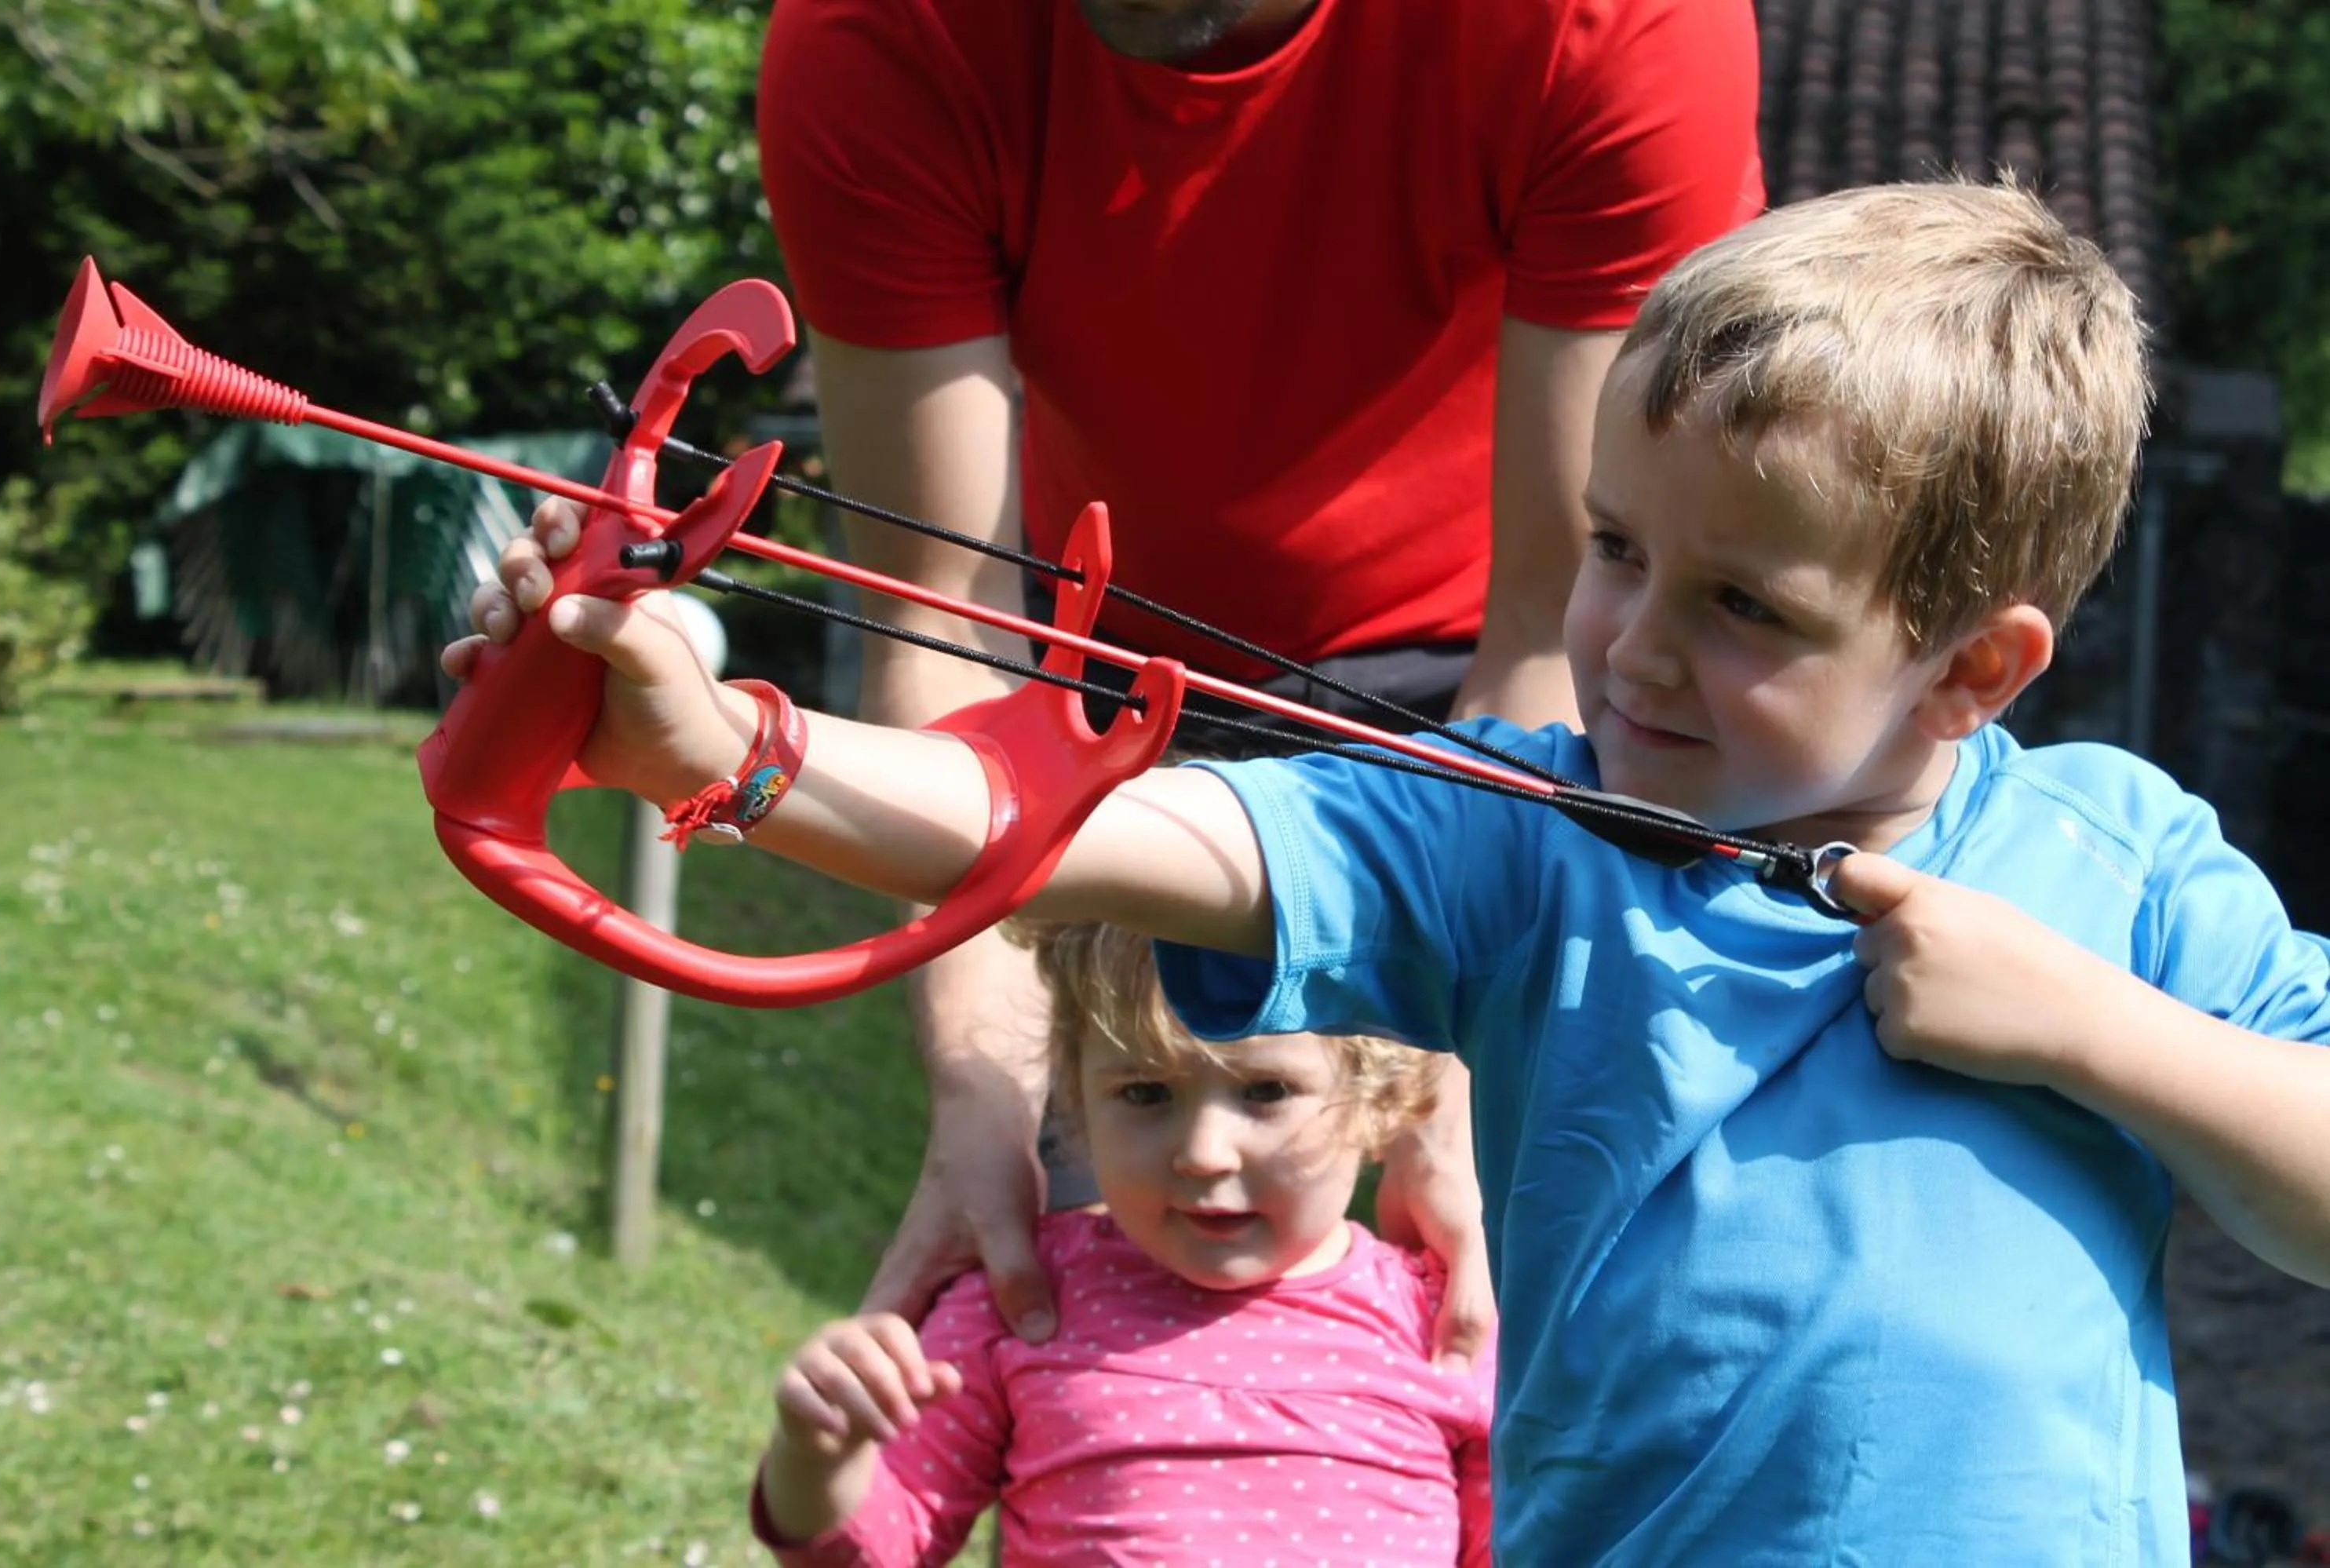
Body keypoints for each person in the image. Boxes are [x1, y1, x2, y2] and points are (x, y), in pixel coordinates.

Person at [444, 177, 2330, 1559]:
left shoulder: (2117, 862)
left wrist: (2092, 1031)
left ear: (1974, 664)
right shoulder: (1526, 828)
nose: (1630, 645)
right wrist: (736, 753)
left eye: (1743, 601)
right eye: (1611, 549)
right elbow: (1118, 823)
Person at [753, 0, 1767, 1354]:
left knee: (1519, 1314)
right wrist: (988, 1093)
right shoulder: (883, 37)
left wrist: (1449, 1086)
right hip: (1101, 715)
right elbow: (953, 631)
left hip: (1496, 711)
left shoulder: (1602, 22)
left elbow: (1555, 635)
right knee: (1082, 1331)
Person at [749, 923, 1493, 1566]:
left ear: (1379, 1101)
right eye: (1144, 1093)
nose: (1204, 1152)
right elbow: (876, 1547)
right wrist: (819, 1455)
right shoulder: (1028, 1298)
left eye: (1264, 1091)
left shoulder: (1445, 1324)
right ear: (1073, 1101)